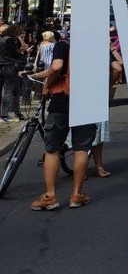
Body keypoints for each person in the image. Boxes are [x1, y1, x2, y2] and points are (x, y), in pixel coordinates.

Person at [26, 34, 95, 211]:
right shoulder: (95, 48)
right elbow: (115, 69)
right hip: (87, 102)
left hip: (61, 101)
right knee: (81, 148)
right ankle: (77, 195)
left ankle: (50, 195)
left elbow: (56, 67)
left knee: (52, 149)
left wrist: (47, 86)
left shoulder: (63, 45)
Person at [0, 23, 26, 122]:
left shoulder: (2, 39)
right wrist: (21, 50)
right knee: (8, 90)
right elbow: (15, 54)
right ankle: (4, 114)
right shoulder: (9, 40)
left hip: (1, 65)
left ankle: (3, 114)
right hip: (9, 67)